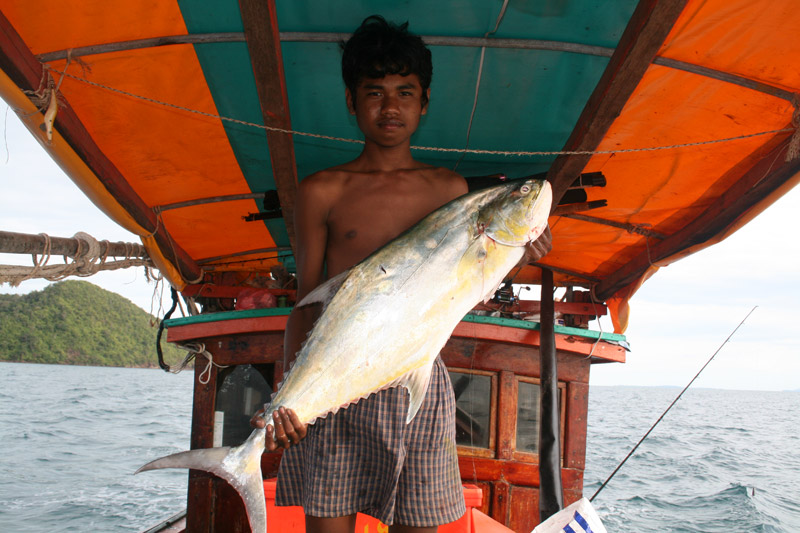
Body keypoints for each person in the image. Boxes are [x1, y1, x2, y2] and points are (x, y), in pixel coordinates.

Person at [252, 15, 552, 533]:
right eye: (375, 92)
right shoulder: (322, 190)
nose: (390, 107)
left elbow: (462, 287)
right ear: (351, 102)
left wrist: (519, 253)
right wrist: (288, 398)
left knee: (421, 525)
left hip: (417, 381)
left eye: (405, 92)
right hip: (331, 381)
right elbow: (306, 301)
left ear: (424, 102)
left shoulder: (448, 189)